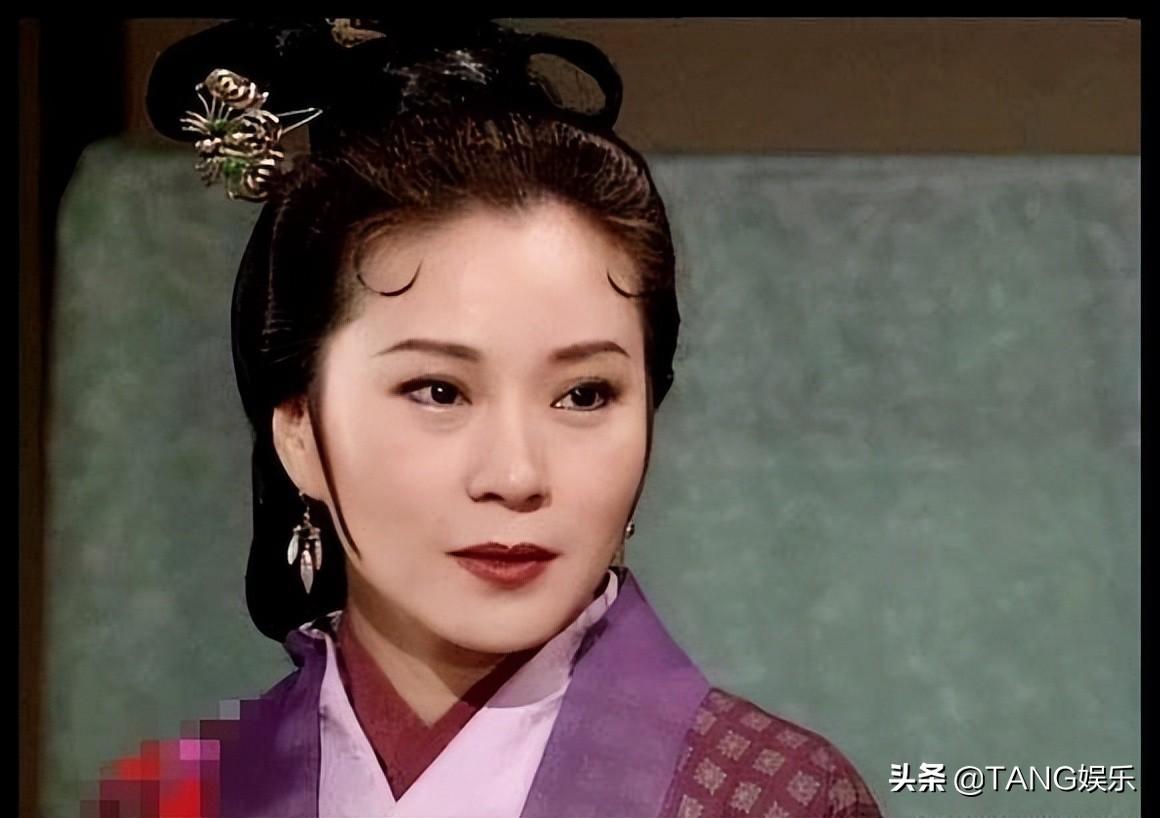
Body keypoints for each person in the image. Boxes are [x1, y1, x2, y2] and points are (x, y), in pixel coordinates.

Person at [84, 18, 885, 818]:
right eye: (439, 391)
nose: (516, 475)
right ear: (298, 429)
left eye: (584, 395)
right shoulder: (179, 799)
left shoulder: (772, 798)